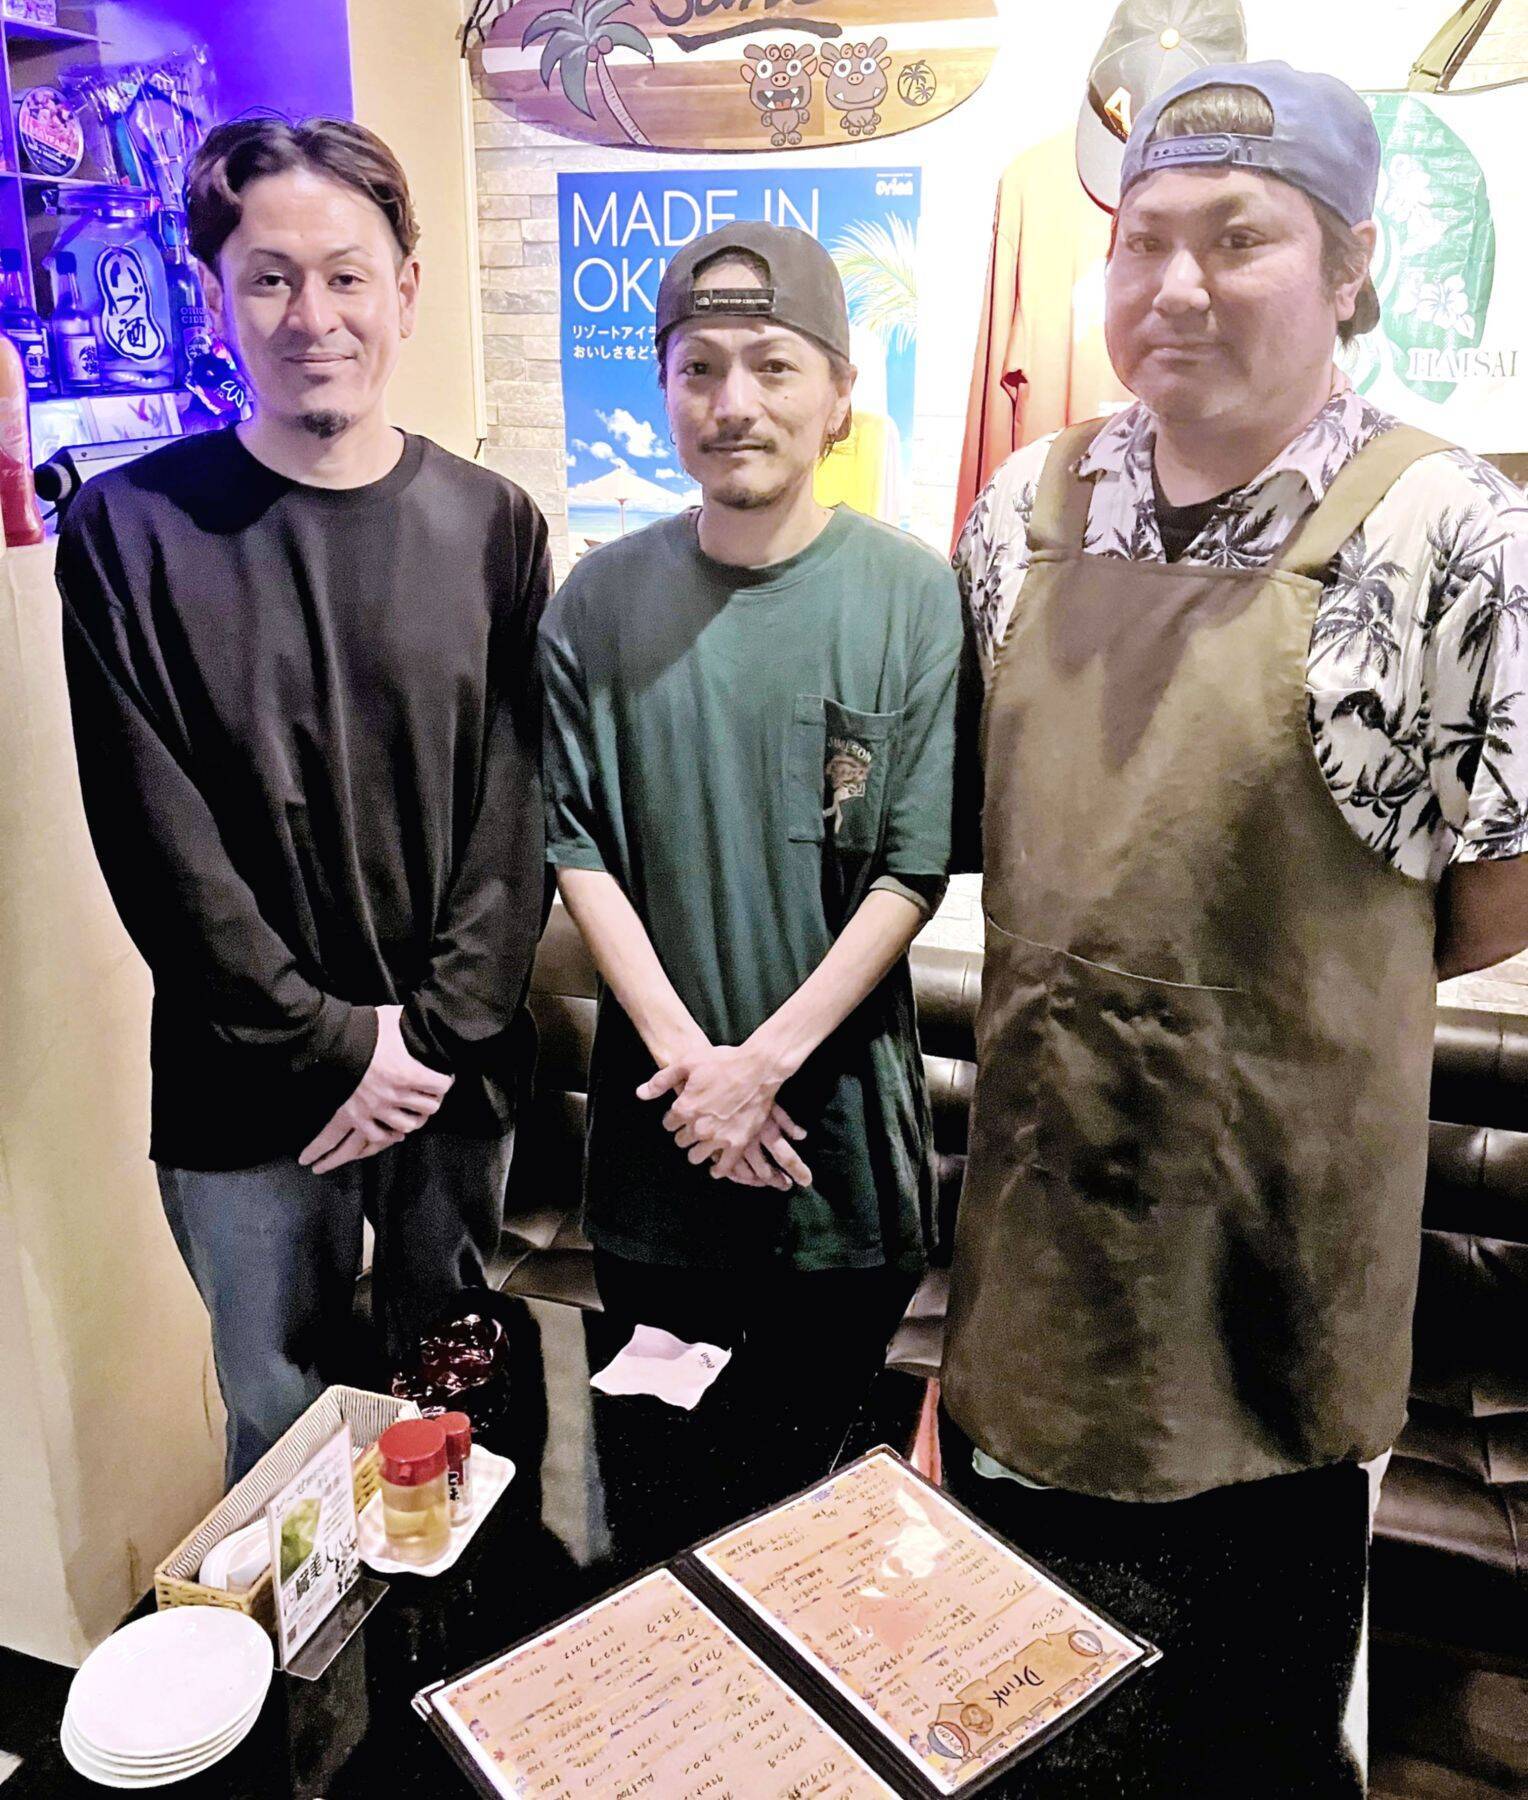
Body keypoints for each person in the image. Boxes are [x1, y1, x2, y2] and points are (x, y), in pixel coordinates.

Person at [944, 62, 1528, 1794]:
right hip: (1042, 1229)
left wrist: (1298, 989)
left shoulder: (1452, 532)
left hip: (1277, 1239)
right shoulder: (1021, 512)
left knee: (1251, 1740)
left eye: (1239, 237)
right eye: (1142, 241)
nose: (1176, 284)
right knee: (1023, 1714)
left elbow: (1500, 882)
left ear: (1349, 264)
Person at [58, 118, 552, 1485]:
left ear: (406, 287)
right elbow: (154, 840)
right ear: (214, 293)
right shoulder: (130, 533)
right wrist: (333, 1044)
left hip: (450, 1076)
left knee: (453, 1416)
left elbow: (519, 815)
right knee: (284, 1443)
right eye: (269, 278)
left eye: (346, 275)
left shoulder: (496, 526)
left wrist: (429, 1038)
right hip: (244, 1085)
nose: (311, 315)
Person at [540, 223, 960, 1527]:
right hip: (657, 1169)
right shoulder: (596, 603)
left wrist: (760, 1068)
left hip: (843, 1173)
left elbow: (910, 869)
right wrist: (697, 1071)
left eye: (774, 365)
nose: (735, 402)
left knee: (825, 1534)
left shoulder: (910, 595)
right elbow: (577, 845)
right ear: (664, 390)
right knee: (653, 1519)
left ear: (838, 394)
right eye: (699, 367)